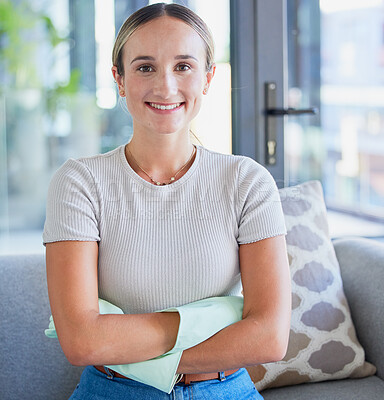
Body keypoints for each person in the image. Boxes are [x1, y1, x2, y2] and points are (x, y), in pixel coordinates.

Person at [43, 3, 291, 399]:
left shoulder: (247, 182)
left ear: (208, 78)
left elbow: (270, 339)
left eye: (183, 66)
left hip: (224, 390)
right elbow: (82, 343)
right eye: (144, 67)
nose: (166, 86)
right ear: (119, 80)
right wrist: (216, 321)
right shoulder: (79, 183)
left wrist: (122, 339)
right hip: (113, 391)